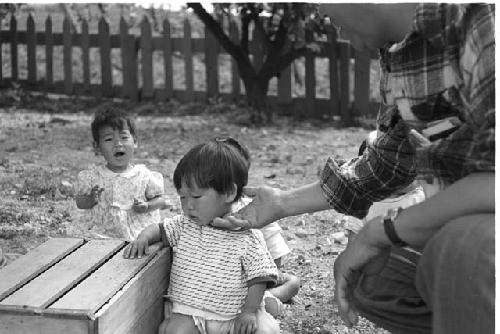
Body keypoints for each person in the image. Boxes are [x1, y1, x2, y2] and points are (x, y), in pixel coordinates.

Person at [212, 4, 495, 334]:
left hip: (481, 235)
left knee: (464, 250)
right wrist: (282, 203)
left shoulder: (479, 18)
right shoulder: (399, 51)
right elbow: (384, 166)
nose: (324, 19)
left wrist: (381, 231)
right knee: (371, 276)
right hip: (463, 225)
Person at [124, 137, 280, 334]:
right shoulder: (184, 224)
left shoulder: (247, 236)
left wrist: (248, 311)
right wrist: (143, 237)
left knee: (265, 330)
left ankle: (267, 309)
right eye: (183, 197)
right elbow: (159, 228)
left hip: (235, 316)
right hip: (191, 312)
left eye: (196, 196)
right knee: (174, 331)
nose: (189, 205)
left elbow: (259, 277)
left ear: (229, 193)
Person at [74, 108, 170, 241]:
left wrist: (147, 206)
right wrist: (90, 199)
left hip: (137, 234)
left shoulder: (143, 176)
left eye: (124, 137)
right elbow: (80, 203)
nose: (118, 144)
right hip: (101, 234)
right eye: (109, 139)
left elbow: (161, 200)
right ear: (97, 146)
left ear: (135, 141)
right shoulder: (92, 177)